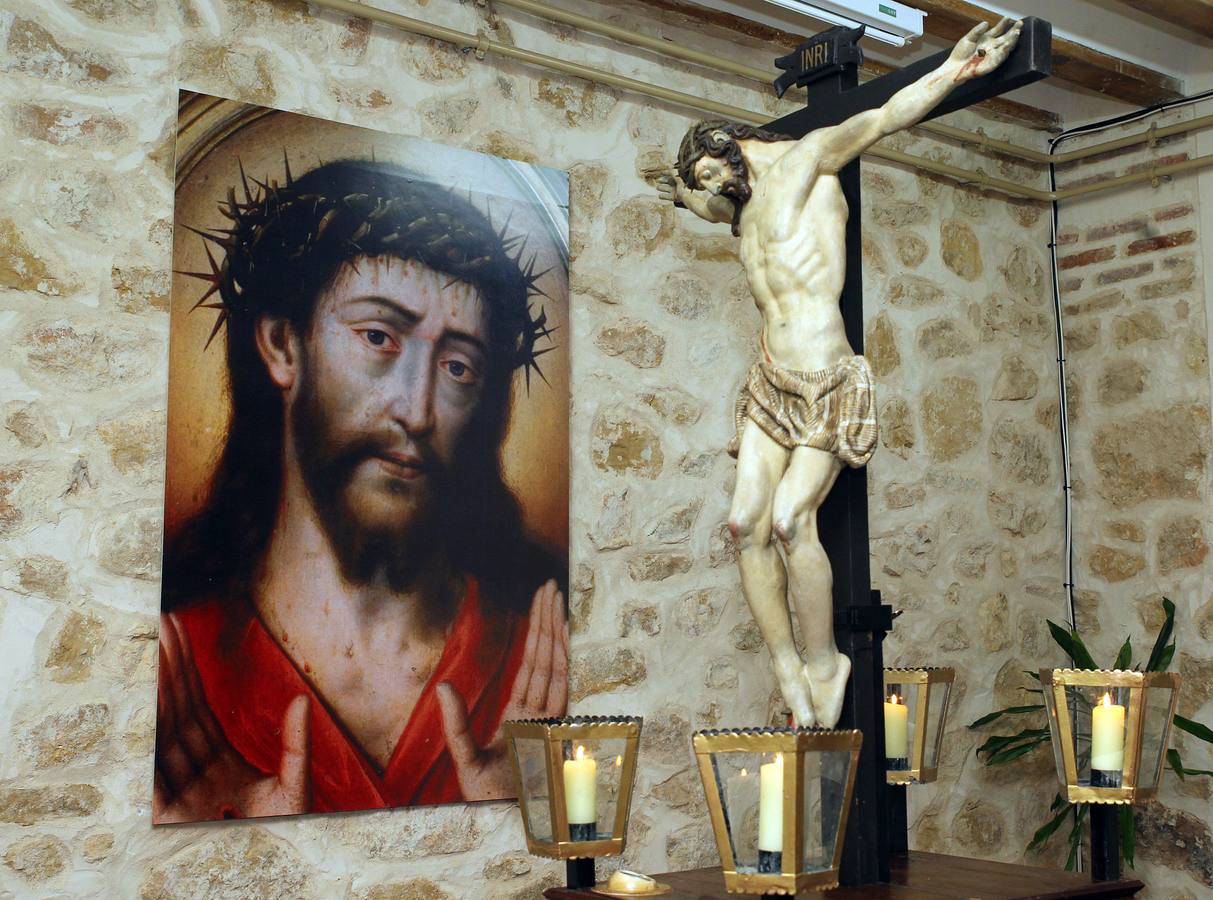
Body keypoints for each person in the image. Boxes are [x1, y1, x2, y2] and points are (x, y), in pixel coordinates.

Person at [154, 159, 567, 822]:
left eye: (458, 366)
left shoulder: (534, 661)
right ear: (283, 344)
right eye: (378, 336)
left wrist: (520, 819)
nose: (418, 410)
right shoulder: (179, 664)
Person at [657, 20, 1022, 728]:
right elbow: (696, 200)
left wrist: (957, 68)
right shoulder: (743, 210)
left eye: (709, 174)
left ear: (725, 146)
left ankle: (825, 663)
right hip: (770, 378)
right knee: (742, 525)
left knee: (793, 521)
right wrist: (677, 187)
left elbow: (886, 114)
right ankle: (786, 665)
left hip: (825, 375)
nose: (712, 195)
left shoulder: (810, 159)